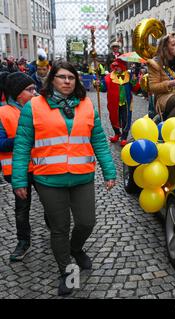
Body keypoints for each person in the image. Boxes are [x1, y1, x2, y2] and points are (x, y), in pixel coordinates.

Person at [11, 60, 116, 296]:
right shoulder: (34, 106)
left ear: (76, 80)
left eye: (71, 77)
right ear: (52, 79)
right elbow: (22, 146)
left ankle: (76, 248)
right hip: (49, 180)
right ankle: (67, 272)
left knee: (86, 222)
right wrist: (19, 180)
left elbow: (98, 139)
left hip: (82, 177)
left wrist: (109, 171)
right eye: (62, 77)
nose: (67, 81)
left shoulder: (86, 105)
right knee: (60, 228)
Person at [0, 72, 37, 261]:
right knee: (22, 209)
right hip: (18, 171)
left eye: (34, 89)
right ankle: (23, 242)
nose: (34, 93)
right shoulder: (3, 113)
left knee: (52, 204)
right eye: (29, 90)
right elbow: (0, 143)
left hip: (41, 168)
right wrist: (23, 139)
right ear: (17, 94)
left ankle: (57, 232)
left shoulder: (39, 109)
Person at [103, 59, 138, 147]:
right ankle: (117, 134)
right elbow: (103, 88)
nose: (116, 68)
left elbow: (135, 89)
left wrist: (134, 81)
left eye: (118, 66)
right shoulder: (108, 77)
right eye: (115, 66)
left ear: (123, 66)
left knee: (126, 119)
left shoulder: (129, 75)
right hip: (113, 103)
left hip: (126, 102)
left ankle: (124, 137)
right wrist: (98, 84)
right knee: (114, 118)